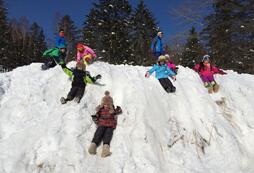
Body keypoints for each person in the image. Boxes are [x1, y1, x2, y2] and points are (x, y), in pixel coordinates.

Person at [88, 91, 122, 158]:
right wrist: (95, 118)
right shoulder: (100, 110)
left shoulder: (112, 110)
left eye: (108, 104)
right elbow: (97, 116)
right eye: (105, 104)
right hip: (101, 124)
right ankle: (93, 145)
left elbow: (118, 111)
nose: (107, 105)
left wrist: (118, 109)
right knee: (98, 132)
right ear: (103, 104)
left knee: (108, 134)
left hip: (110, 125)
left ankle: (105, 149)